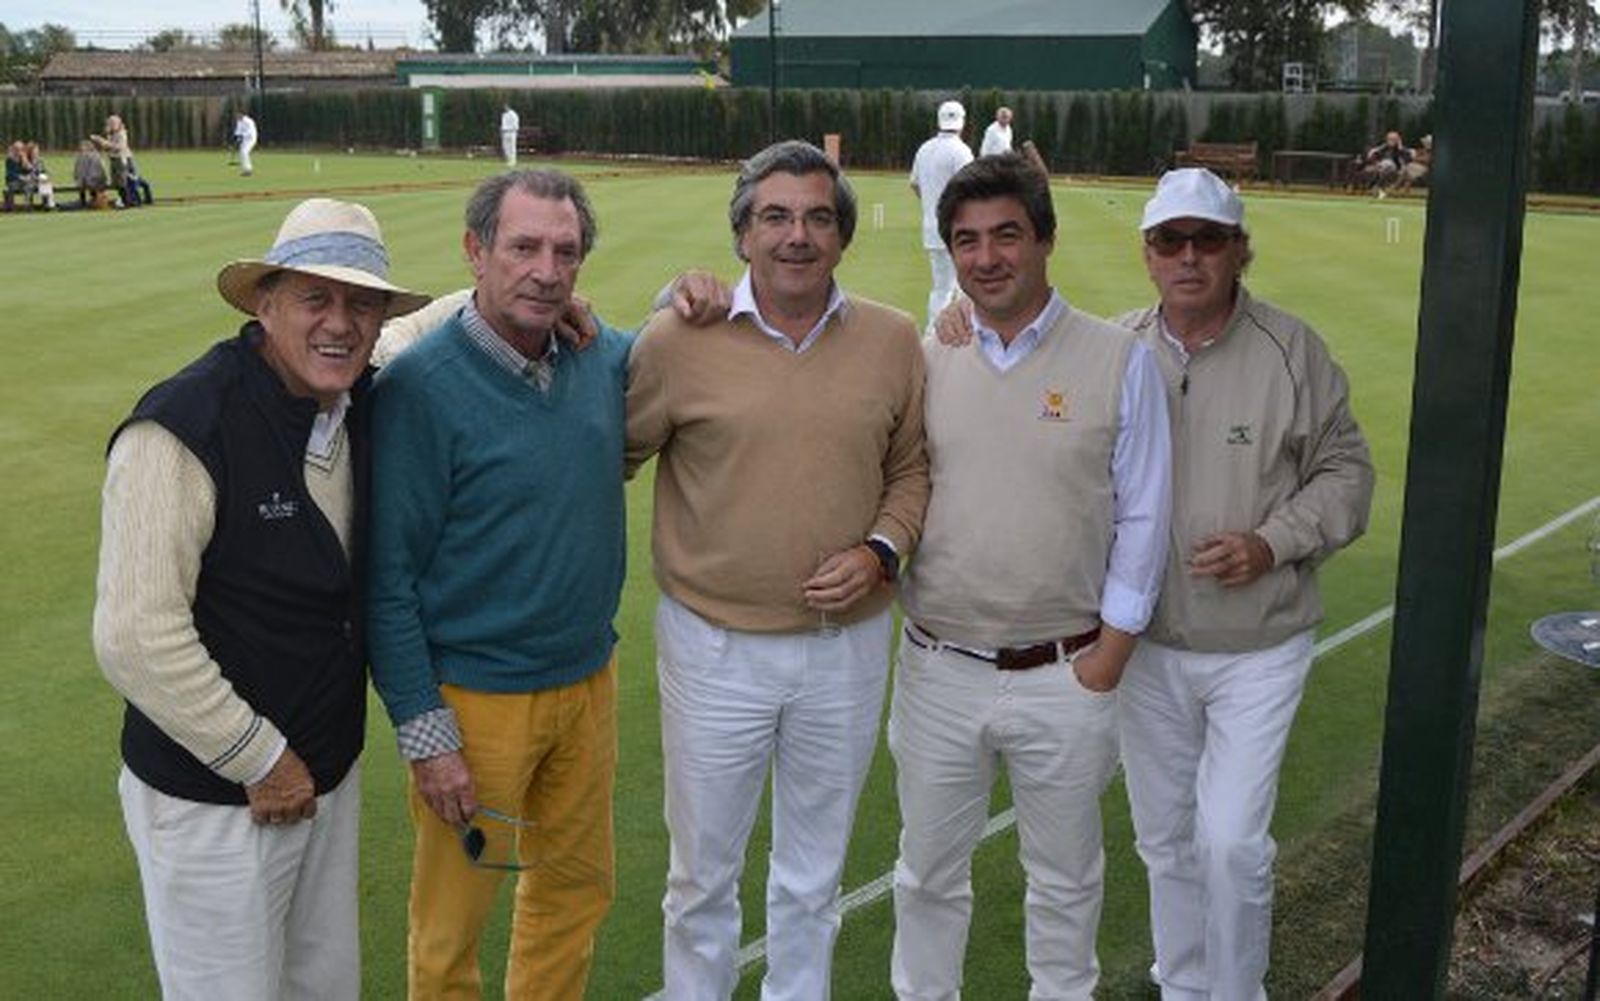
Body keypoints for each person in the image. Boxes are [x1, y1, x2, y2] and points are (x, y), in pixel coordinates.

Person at [92, 197, 429, 999]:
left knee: (324, 985)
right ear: (265, 303)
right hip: (217, 797)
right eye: (316, 297)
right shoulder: (179, 426)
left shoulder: (355, 391)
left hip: (324, 776)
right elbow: (135, 636)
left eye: (362, 301)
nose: (340, 323)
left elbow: (439, 323)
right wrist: (260, 758)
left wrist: (552, 302)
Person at [626, 139, 930, 1001]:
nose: (797, 235)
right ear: (743, 235)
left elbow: (911, 470)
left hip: (847, 649)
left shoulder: (892, 338)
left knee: (811, 878)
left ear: (841, 236)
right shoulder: (679, 338)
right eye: (775, 217)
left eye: (817, 218)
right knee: (701, 884)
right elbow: (609, 448)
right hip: (713, 648)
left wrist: (880, 553)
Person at [893, 153, 1172, 1000]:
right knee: (926, 876)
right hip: (940, 666)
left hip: (1067, 670)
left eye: (1007, 234)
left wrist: (1110, 655)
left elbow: (1145, 515)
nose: (986, 258)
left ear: (1045, 238)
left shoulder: (1120, 358)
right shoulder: (926, 354)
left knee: (1064, 880)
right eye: (967, 240)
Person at [367, 168, 632, 1001]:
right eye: (523, 247)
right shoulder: (418, 389)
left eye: (565, 252)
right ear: (476, 252)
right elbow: (386, 579)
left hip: (589, 682)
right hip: (476, 705)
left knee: (575, 895)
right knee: (451, 932)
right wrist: (426, 734)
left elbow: (670, 347)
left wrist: (692, 293)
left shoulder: (595, 355)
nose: (546, 270)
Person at [1115, 168, 1374, 1001]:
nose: (1189, 257)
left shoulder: (1293, 350)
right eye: (1170, 240)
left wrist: (1271, 542)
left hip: (1260, 643)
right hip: (1146, 646)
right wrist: (958, 319)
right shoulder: (1115, 348)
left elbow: (1347, 473)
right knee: (1165, 840)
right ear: (1149, 254)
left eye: (1209, 240)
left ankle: (1235, 991)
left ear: (1238, 250)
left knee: (1229, 841)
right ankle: (1184, 986)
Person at [911, 100, 974, 333]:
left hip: (931, 228)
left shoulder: (924, 149)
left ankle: (945, 332)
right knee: (955, 286)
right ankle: (937, 335)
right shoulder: (962, 151)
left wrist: (932, 206)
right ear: (962, 122)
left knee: (942, 287)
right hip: (957, 230)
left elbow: (915, 184)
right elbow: (971, 190)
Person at [92, 114, 138, 206]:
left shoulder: (121, 134)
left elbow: (119, 147)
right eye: (109, 123)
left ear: (118, 123)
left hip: (121, 159)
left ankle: (128, 202)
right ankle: (126, 200)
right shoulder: (111, 134)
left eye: (112, 123)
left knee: (122, 182)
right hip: (114, 159)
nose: (109, 125)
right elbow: (109, 148)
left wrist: (102, 141)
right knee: (116, 182)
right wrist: (102, 143)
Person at [1358, 130, 1411, 196]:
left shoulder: (1402, 149)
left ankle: (1377, 187)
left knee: (1385, 167)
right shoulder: (1382, 148)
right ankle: (1377, 188)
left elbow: (1407, 159)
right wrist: (1376, 162)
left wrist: (1400, 148)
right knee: (1381, 168)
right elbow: (1373, 155)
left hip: (1396, 168)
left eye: (1394, 139)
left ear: (1398, 140)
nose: (1391, 141)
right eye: (1390, 139)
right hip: (1381, 167)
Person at [73, 139, 109, 208]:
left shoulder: (88, 157)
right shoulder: (94, 155)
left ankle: (87, 201)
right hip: (93, 180)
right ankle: (87, 201)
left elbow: (81, 172)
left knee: (86, 185)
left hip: (93, 180)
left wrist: (83, 180)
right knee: (84, 186)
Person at [235, 110, 259, 177]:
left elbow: (250, 131)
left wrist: (242, 135)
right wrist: (237, 137)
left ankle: (248, 170)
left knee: (244, 152)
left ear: (242, 114)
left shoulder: (249, 121)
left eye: (238, 114)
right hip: (245, 139)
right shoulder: (239, 121)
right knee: (242, 153)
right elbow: (238, 130)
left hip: (251, 139)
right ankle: (245, 170)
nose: (236, 116)